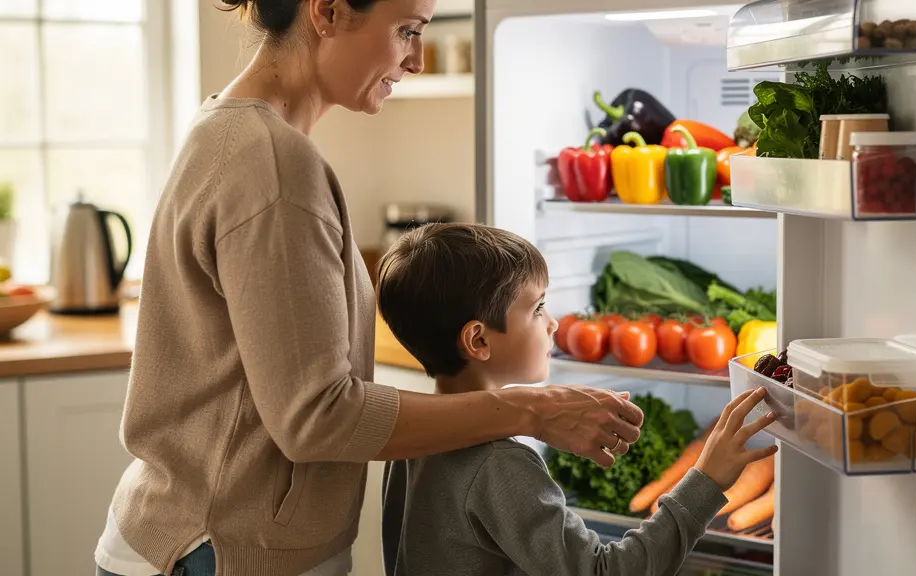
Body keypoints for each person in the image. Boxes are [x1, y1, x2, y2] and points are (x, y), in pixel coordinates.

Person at [93, 1, 645, 575]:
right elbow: (316, 417)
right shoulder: (273, 163)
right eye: (407, 30)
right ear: (327, 11)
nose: (418, 60)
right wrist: (531, 411)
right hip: (219, 549)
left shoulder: (234, 132)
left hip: (194, 538)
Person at [376, 223, 780, 576]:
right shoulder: (498, 464)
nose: (553, 323)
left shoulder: (414, 438)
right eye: (537, 308)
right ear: (479, 340)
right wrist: (706, 480)